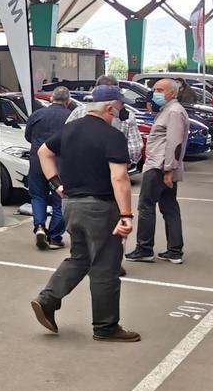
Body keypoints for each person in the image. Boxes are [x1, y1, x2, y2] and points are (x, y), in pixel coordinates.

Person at [30, 84, 138, 342]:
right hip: (100, 207)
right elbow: (120, 178)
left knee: (80, 257)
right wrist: (126, 216)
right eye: (118, 108)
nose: (119, 114)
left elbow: (43, 152)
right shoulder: (112, 136)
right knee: (105, 266)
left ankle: (47, 300)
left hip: (72, 205)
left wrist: (56, 184)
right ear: (109, 108)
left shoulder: (70, 129)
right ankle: (106, 326)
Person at [126, 79, 190, 265]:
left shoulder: (174, 112)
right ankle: (174, 251)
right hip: (162, 166)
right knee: (169, 207)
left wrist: (169, 169)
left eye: (160, 90)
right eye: (154, 90)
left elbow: (175, 143)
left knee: (146, 206)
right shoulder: (168, 110)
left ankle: (144, 248)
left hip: (159, 167)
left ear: (172, 93)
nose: (155, 93)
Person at [25, 86, 73, 250]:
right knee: (60, 200)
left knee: (38, 197)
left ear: (51, 98)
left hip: (37, 163)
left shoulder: (37, 114)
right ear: (68, 101)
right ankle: (54, 237)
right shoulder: (71, 116)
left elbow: (28, 137)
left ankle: (39, 227)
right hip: (61, 167)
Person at [66, 75, 142, 165]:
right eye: (121, 102)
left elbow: (64, 142)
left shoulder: (79, 112)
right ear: (110, 106)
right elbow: (134, 150)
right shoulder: (127, 117)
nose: (123, 106)